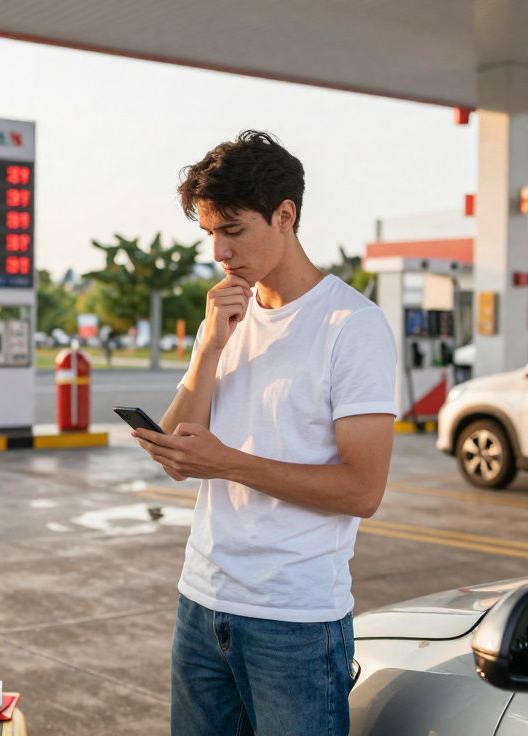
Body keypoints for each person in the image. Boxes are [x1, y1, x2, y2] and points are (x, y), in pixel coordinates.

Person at [131, 130, 397, 736]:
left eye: (233, 230)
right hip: (201, 602)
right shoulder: (226, 316)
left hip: (295, 620)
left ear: (285, 215)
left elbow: (362, 491)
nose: (220, 252)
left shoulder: (350, 325)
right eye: (210, 235)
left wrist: (227, 462)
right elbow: (175, 452)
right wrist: (210, 346)